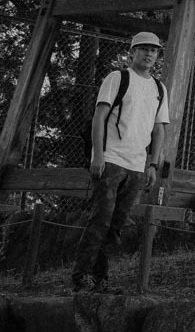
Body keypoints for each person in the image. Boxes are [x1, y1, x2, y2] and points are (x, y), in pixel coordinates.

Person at [71, 29, 171, 293]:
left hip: (138, 166)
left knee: (116, 226)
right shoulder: (118, 78)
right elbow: (99, 117)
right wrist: (98, 155)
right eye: (144, 49)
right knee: (101, 219)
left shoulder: (159, 88)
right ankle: (81, 276)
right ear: (133, 52)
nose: (149, 54)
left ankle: (100, 279)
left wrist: (153, 165)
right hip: (111, 160)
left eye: (154, 50)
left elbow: (159, 128)